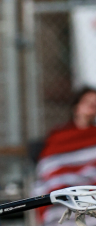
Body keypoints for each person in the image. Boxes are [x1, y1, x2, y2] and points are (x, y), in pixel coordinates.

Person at [34, 88, 96, 226]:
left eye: (95, 102)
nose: (92, 105)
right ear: (76, 106)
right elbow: (49, 167)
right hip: (63, 192)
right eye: (88, 102)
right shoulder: (59, 137)